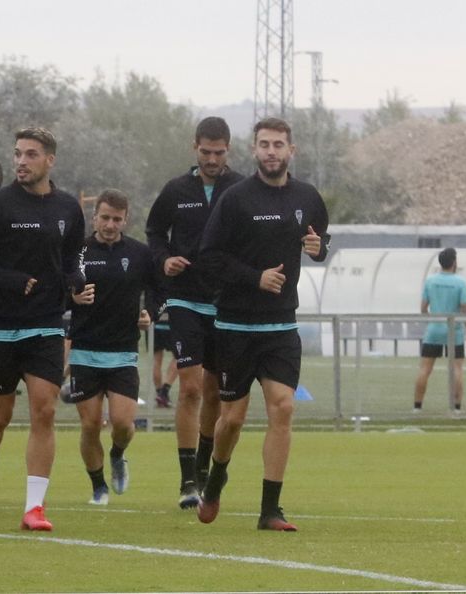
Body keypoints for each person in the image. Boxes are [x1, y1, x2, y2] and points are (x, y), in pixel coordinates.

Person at [196, 116, 329, 532]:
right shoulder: (235, 199)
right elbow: (209, 257)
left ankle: (270, 509)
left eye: (278, 145)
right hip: (235, 327)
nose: (272, 152)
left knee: (283, 407)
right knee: (232, 420)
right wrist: (255, 278)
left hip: (281, 327)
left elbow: (321, 242)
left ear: (292, 151)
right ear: (254, 150)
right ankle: (216, 477)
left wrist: (318, 248)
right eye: (265, 144)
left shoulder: (308, 197)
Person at [0, 127, 86, 531]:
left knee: (44, 409)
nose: (22, 162)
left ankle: (34, 508)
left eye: (31, 154)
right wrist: (11, 281)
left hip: (46, 325)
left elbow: (71, 259)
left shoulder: (68, 208)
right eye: (18, 154)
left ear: (50, 160)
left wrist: (77, 281)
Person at [145, 116, 245, 509]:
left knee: (214, 392)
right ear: (195, 148)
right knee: (189, 387)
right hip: (184, 298)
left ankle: (203, 467)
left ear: (228, 150)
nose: (212, 159)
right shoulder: (176, 190)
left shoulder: (240, 189)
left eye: (218, 153)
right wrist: (164, 259)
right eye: (206, 152)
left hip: (225, 303)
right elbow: (154, 232)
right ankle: (188, 480)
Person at [65, 190, 155, 506]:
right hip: (85, 351)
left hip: (123, 353)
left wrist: (149, 313)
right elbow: (57, 290)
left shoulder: (140, 254)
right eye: (105, 218)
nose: (110, 225)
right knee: (90, 425)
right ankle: (98, 487)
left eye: (117, 219)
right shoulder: (77, 252)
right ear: (94, 218)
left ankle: (117, 454)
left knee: (123, 424)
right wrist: (72, 298)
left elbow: (158, 290)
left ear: (125, 220)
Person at [414, 248, 466, 414]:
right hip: (454, 331)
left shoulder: (430, 281)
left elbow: (423, 308)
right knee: (457, 369)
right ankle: (456, 408)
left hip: (434, 330)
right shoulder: (461, 283)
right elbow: (465, 309)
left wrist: (431, 321)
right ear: (454, 262)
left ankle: (417, 407)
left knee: (425, 369)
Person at [147, 285, 178, 407]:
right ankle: (164, 392)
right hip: (172, 320)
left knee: (157, 360)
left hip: (155, 320)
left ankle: (161, 392)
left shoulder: (153, 277)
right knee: (179, 357)